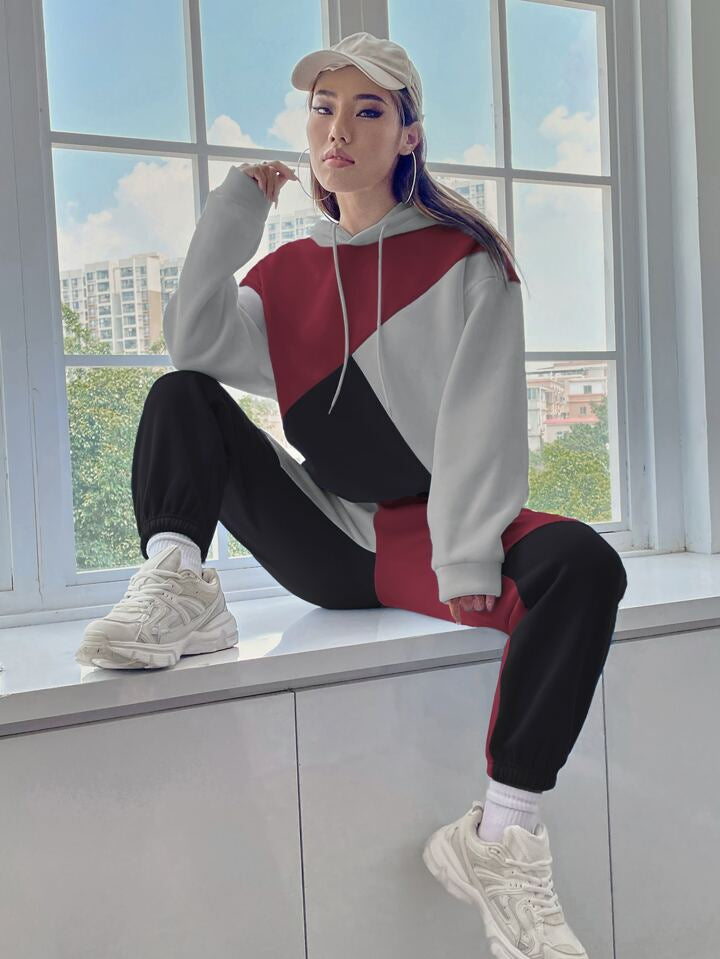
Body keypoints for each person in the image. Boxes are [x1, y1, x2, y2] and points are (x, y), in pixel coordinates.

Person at [75, 32, 627, 955]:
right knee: (180, 395)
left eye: (368, 110)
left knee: (586, 564)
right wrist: (233, 217)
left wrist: (469, 559)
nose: (339, 128)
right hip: (330, 541)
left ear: (408, 135)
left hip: (437, 533)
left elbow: (483, 421)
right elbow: (195, 345)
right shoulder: (289, 272)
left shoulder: (467, 261)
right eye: (324, 108)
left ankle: (500, 833)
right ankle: (178, 582)